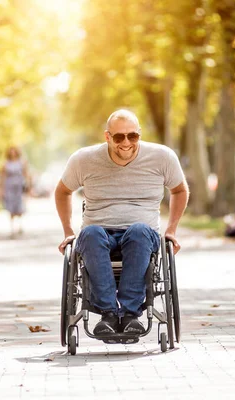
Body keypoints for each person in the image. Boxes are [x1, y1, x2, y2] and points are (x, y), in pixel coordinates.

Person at [55, 109, 189, 337]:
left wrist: (172, 229)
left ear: (139, 134)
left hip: (141, 234)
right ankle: (107, 313)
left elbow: (179, 189)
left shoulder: (162, 157)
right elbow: (62, 192)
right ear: (107, 137)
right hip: (99, 233)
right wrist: (68, 231)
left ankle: (129, 314)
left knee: (138, 231)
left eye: (132, 136)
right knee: (90, 234)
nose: (126, 142)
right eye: (119, 137)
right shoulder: (84, 159)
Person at [1, 146, 31, 236]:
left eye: (14, 151)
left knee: (20, 205)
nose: (12, 153)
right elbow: (3, 176)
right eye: (11, 151)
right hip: (9, 186)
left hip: (19, 186)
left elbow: (26, 174)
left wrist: (28, 185)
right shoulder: (6, 163)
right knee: (11, 206)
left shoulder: (22, 162)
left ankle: (20, 225)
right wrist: (1, 189)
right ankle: (12, 227)